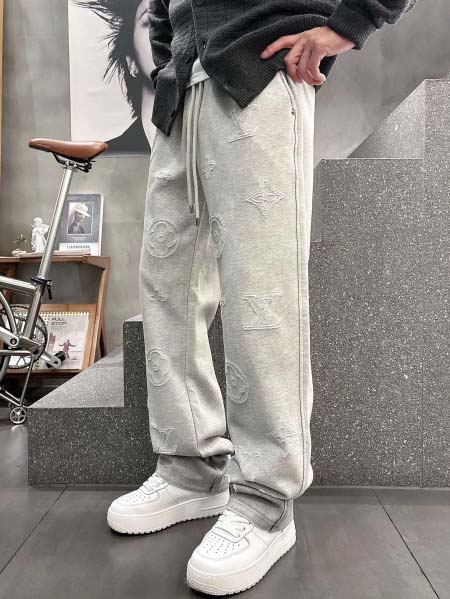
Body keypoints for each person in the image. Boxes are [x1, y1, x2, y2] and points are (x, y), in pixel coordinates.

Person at [107, 0, 418, 594]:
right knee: (167, 285)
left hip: (261, 71)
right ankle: (190, 468)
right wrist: (170, 60)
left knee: (261, 295)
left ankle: (265, 500)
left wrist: (350, 23)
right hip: (183, 89)